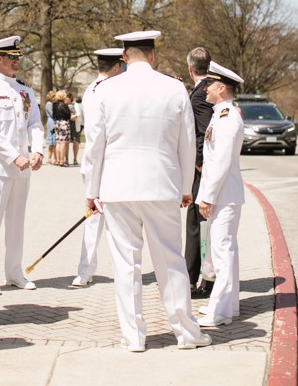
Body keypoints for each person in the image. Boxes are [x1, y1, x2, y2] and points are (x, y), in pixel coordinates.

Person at [84, 30, 210, 352]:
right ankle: (186, 332)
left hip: (117, 186)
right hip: (161, 184)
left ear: (124, 56)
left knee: (126, 264)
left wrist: (91, 188)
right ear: (153, 55)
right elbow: (186, 141)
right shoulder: (173, 88)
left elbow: (95, 144)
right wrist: (185, 187)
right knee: (170, 260)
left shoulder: (106, 90)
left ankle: (134, 337)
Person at [0, 35, 45, 295]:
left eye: (18, 57)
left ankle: (14, 271)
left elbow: (35, 124)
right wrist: (13, 155)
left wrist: (37, 150)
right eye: (11, 58)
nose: (16, 62)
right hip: (0, 168)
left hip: (23, 168)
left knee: (17, 222)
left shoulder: (26, 90)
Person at [195, 61, 246, 327]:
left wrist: (208, 196)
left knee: (223, 251)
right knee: (226, 250)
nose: (205, 91)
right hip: (225, 194)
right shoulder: (221, 113)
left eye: (210, 86)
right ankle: (230, 305)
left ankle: (221, 312)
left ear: (222, 87)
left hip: (224, 195)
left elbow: (222, 161)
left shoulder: (227, 116)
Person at [71, 47, 123, 287]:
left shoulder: (91, 88)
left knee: (94, 221)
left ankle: (85, 271)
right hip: (105, 164)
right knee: (116, 220)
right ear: (115, 66)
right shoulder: (111, 91)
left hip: (94, 164)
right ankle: (115, 269)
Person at [184, 47, 215, 298]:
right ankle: (204, 276)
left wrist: (200, 162)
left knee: (196, 223)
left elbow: (205, 132)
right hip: (205, 168)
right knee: (201, 223)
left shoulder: (199, 94)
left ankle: (192, 279)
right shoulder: (210, 88)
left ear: (190, 68)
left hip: (202, 170)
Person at [51, 90, 72, 168]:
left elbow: (53, 115)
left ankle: (58, 160)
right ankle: (62, 161)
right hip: (64, 123)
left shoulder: (54, 104)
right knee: (63, 142)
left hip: (57, 123)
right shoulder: (64, 105)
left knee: (58, 142)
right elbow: (68, 115)